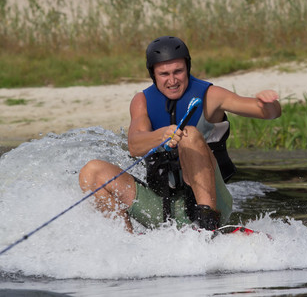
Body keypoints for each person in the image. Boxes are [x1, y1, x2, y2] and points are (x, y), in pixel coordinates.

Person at [79, 36, 281, 233]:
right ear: (153, 75)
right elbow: (135, 144)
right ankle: (126, 243)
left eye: (178, 71)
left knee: (189, 135)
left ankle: (208, 226)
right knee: (92, 172)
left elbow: (267, 112)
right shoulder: (142, 101)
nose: (172, 80)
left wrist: (268, 105)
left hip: (213, 203)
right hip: (163, 208)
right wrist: (161, 135)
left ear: (188, 69)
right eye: (164, 74)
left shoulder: (211, 96)